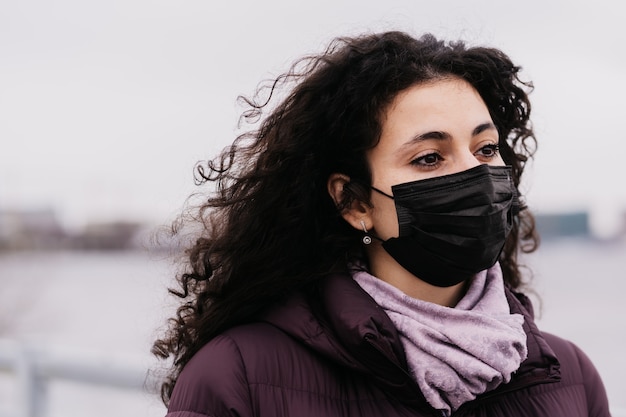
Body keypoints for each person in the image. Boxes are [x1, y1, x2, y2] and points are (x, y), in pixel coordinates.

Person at [152, 31, 611, 416]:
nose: (475, 176)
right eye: (430, 158)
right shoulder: (239, 377)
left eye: (486, 149)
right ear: (354, 202)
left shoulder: (569, 378)